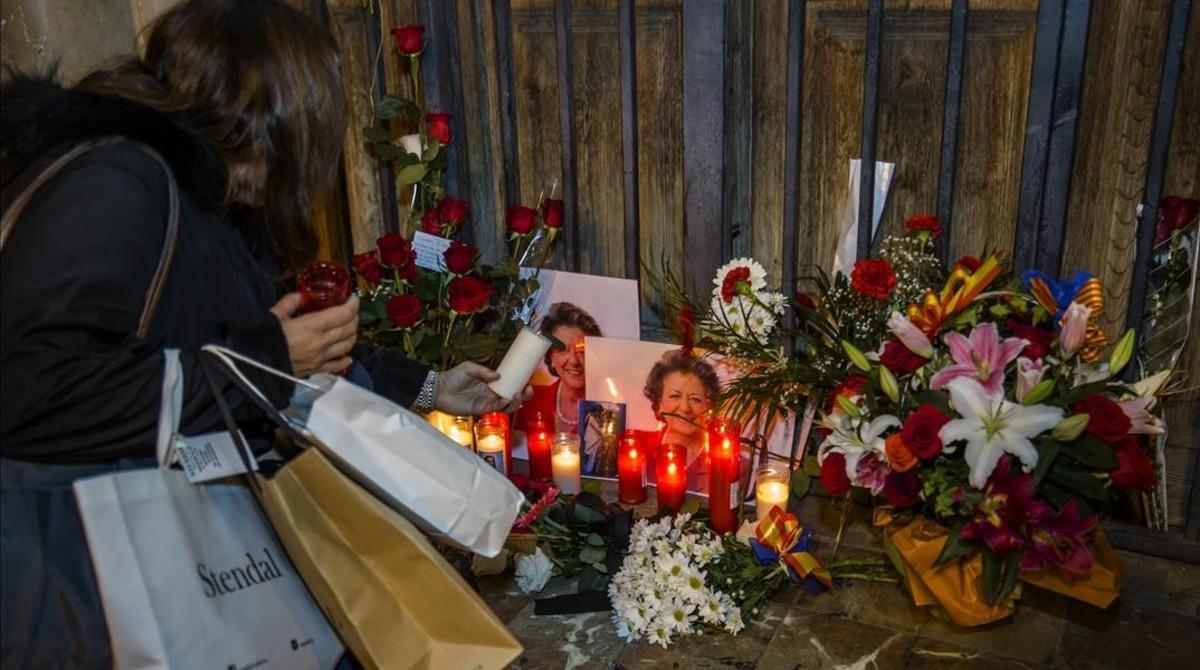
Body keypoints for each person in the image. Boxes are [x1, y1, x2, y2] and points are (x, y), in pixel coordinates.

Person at [0, 1, 525, 665]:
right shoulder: (119, 182)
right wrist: (271, 355)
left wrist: (425, 385)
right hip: (85, 586)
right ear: (274, 114)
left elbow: (247, 340)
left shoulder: (196, 190)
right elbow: (31, 390)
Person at [516, 301, 603, 434]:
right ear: (550, 357)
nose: (574, 361)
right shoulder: (529, 400)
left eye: (581, 350)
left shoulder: (610, 409)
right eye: (562, 349)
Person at [642, 350, 721, 491]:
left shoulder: (727, 464)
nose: (685, 408)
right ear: (659, 403)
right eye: (675, 396)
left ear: (708, 406)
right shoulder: (637, 451)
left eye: (695, 399)